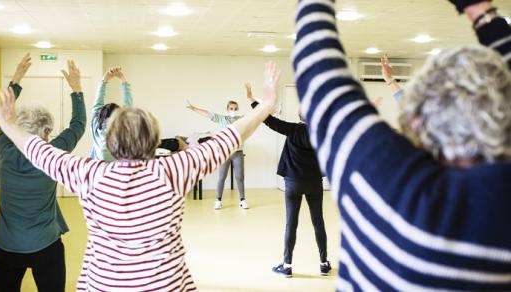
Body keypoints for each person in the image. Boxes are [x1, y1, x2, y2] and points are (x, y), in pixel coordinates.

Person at [0, 62, 280, 291]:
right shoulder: (173, 171)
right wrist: (265, 106)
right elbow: (229, 137)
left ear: (111, 140)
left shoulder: (88, 174)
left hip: (104, 286)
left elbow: (38, 150)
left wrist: (7, 123)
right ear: (154, 140)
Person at [293, 0, 511, 290]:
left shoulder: (388, 186)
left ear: (416, 121)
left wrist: (478, 8)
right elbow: (319, 76)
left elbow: (318, 73)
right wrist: (481, 10)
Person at [0, 55, 86, 292]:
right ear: (45, 131)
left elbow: (4, 120)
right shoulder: (51, 153)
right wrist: (76, 88)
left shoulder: (4, 148)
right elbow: (78, 124)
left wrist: (16, 78)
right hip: (46, 246)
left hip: (6, 247)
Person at [246, 83, 331, 278]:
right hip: (314, 183)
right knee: (318, 222)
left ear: (299, 117)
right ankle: (324, 264)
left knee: (291, 223)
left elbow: (267, 120)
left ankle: (287, 265)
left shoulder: (292, 130)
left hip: (293, 183)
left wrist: (252, 100)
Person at [186, 98, 248, 209]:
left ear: (237, 109)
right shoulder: (222, 119)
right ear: (227, 109)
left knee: (239, 177)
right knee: (222, 177)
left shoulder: (241, 119)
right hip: (225, 153)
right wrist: (194, 108)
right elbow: (208, 114)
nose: (233, 110)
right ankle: (218, 200)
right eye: (231, 108)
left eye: (235, 108)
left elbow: (256, 117)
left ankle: (242, 200)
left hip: (238, 153)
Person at [91, 66, 132, 162]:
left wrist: (105, 79)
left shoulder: (96, 127)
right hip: (119, 173)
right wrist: (122, 78)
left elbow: (97, 104)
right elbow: (128, 105)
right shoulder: (123, 128)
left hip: (98, 171)